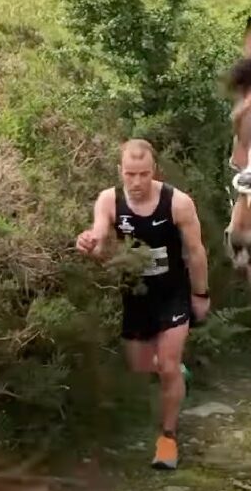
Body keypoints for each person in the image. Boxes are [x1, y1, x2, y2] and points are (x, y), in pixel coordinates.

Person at [75, 140, 210, 471]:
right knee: (139, 366)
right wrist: (88, 244)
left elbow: (195, 251)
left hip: (173, 292)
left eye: (144, 174)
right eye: (130, 174)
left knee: (166, 364)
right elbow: (99, 242)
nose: (136, 182)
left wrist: (201, 294)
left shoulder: (177, 203)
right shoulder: (110, 200)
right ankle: (178, 375)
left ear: (154, 171)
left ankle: (167, 438)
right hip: (135, 294)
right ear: (121, 171)